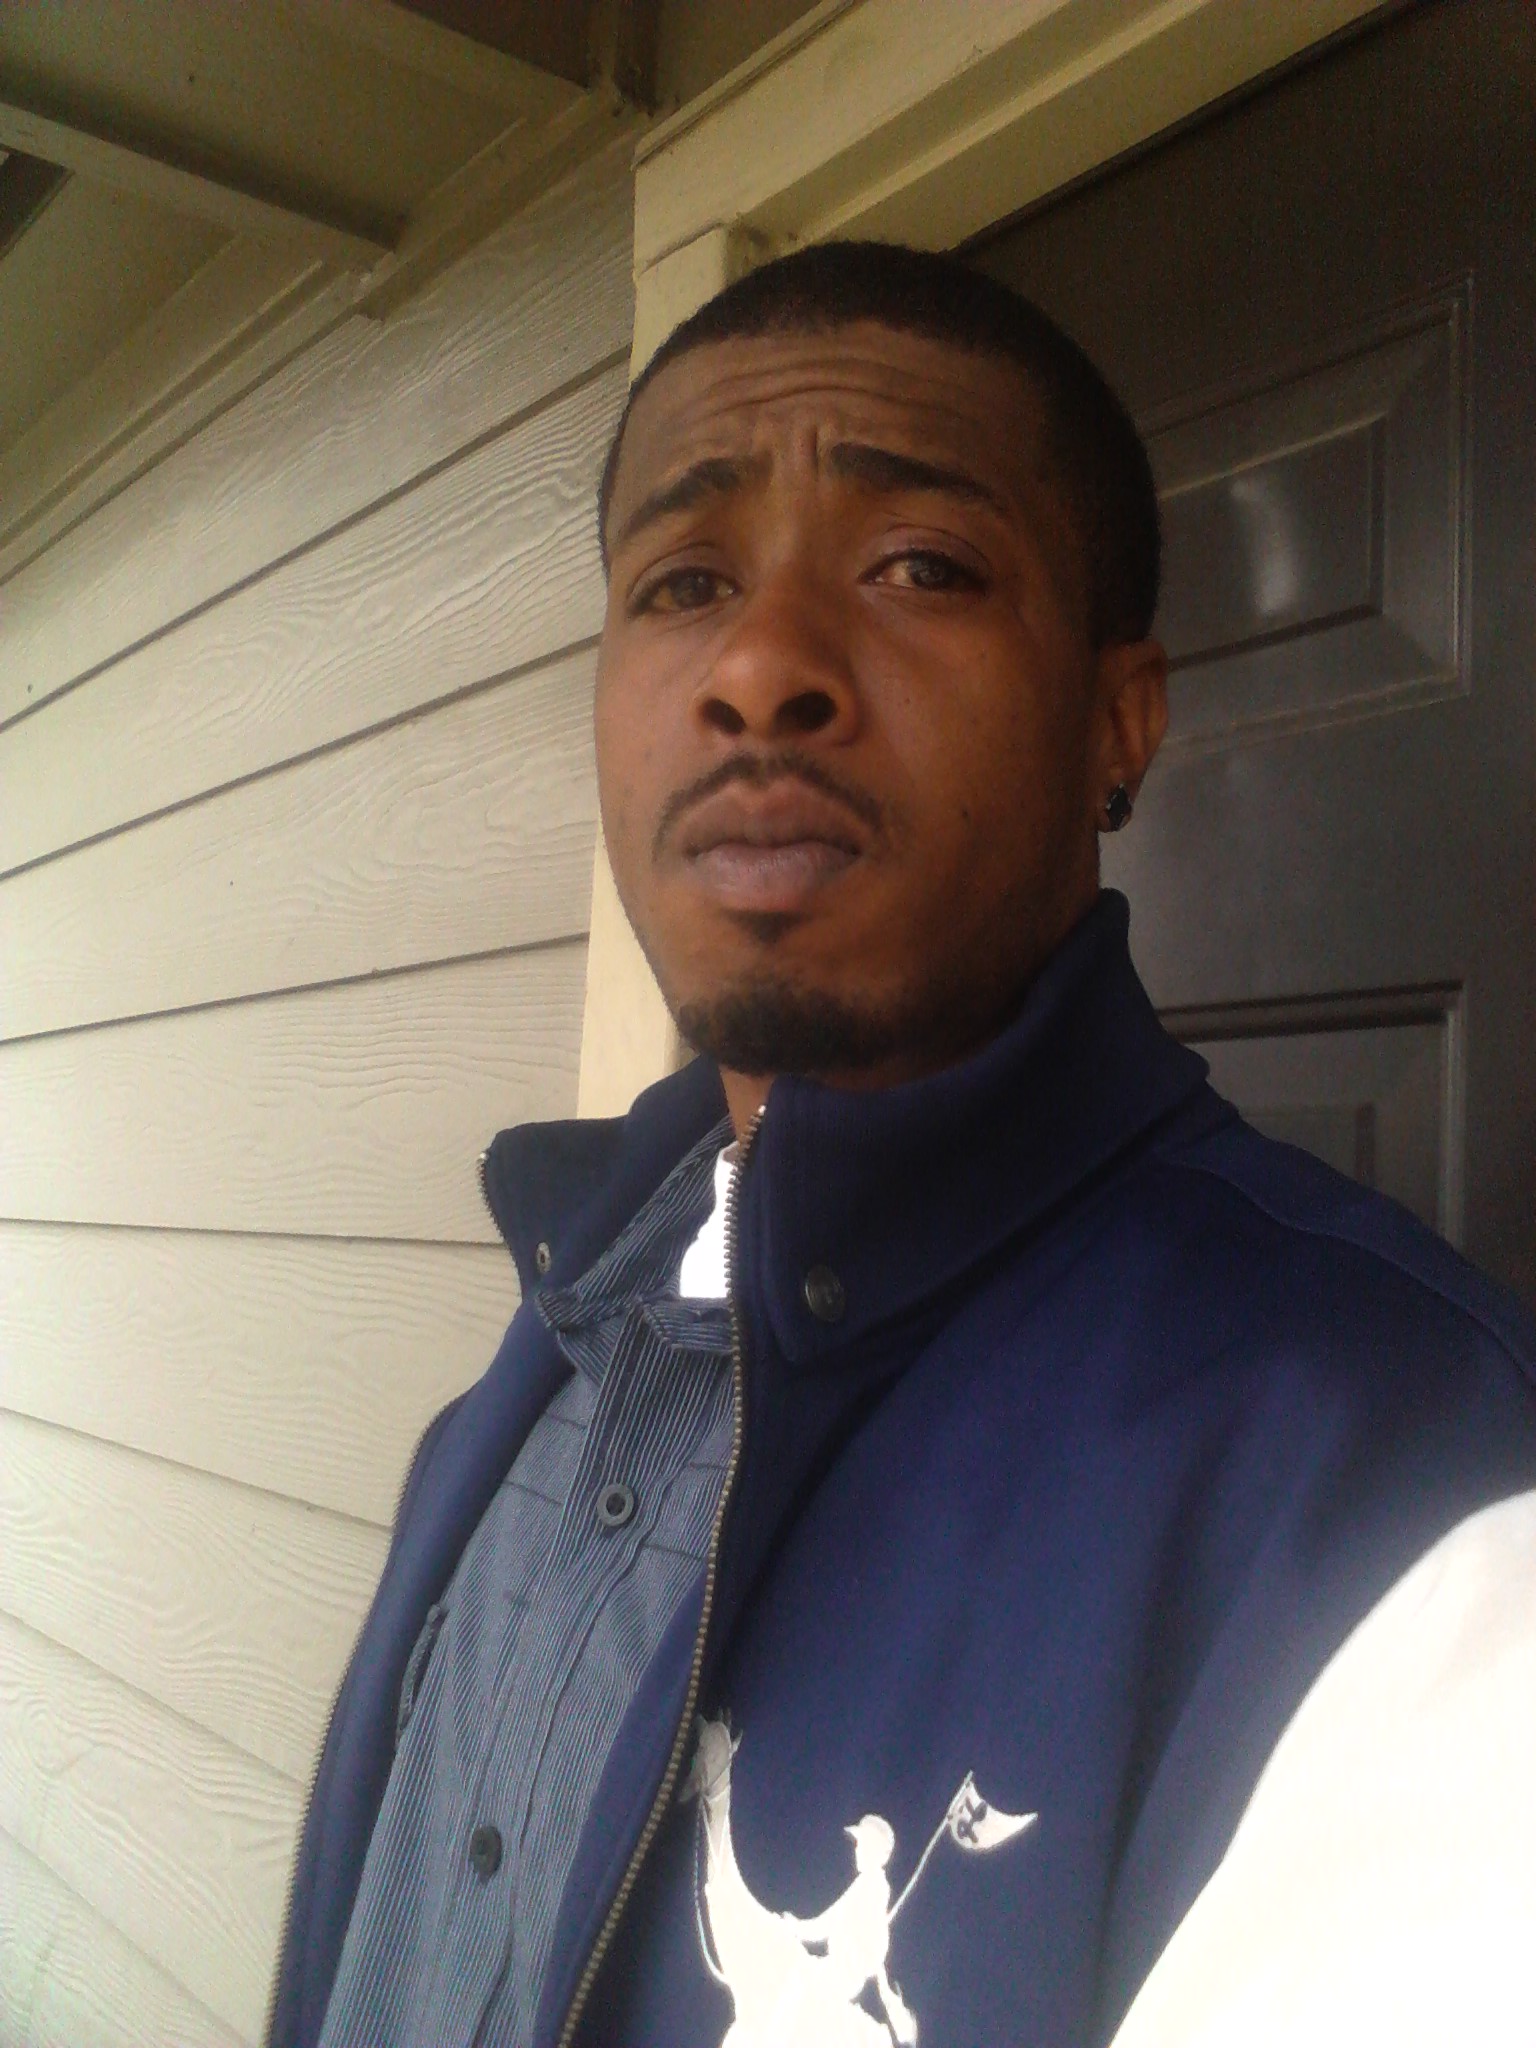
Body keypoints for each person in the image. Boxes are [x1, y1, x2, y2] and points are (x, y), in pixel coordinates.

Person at [268, 243, 1536, 2048]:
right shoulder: (557, 1323)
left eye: (922, 566)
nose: (758, 667)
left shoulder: (1412, 1495)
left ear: (1119, 722)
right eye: (683, 583)